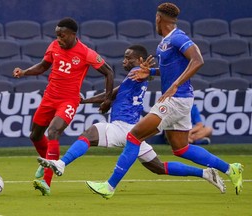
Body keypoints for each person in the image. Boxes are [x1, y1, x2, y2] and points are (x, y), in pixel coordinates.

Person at [85, 2, 244, 199]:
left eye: (155, 19)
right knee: (181, 148)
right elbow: (168, 70)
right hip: (181, 100)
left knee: (134, 136)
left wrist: (176, 84)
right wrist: (149, 72)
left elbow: (198, 60)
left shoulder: (178, 37)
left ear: (159, 19)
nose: (155, 22)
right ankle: (231, 169)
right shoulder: (164, 43)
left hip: (175, 99)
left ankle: (109, 186)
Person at [37, 44, 225, 193]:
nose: (124, 60)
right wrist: (85, 100)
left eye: (128, 57)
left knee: (90, 132)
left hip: (123, 127)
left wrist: (149, 71)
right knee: (158, 167)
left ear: (140, 60)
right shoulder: (134, 76)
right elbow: (111, 95)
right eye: (124, 57)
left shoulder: (137, 74)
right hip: (133, 130)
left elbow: (115, 93)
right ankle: (205, 173)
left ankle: (61, 164)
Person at [12, 17, 114, 196]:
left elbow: (109, 72)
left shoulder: (86, 53)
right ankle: (46, 164)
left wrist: (107, 98)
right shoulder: (54, 46)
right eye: (57, 35)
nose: (59, 39)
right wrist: (25, 72)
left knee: (53, 131)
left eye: (63, 36)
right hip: (49, 97)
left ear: (73, 35)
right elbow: (44, 66)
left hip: (68, 100)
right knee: (35, 135)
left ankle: (46, 182)